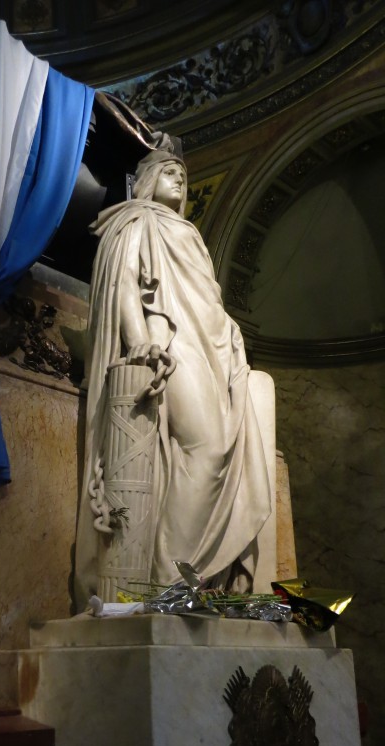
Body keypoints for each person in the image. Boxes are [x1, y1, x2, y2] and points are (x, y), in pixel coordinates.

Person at [75, 139, 271, 607]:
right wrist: (139, 336)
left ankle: (186, 581)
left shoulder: (190, 235)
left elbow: (207, 301)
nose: (179, 179)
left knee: (226, 443)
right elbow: (126, 283)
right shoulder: (136, 219)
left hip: (215, 346)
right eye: (168, 172)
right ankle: (168, 582)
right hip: (172, 345)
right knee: (206, 447)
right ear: (145, 182)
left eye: (183, 176)